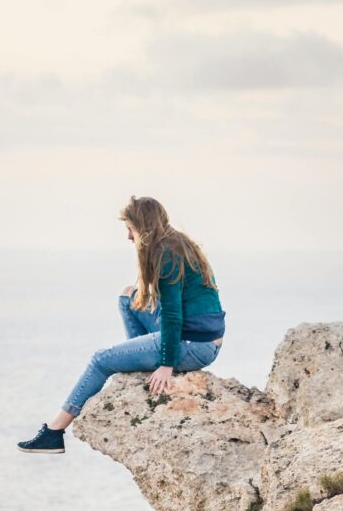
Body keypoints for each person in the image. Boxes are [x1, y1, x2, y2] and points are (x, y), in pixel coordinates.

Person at [18, 195, 225, 455]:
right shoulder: (179, 243)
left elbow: (173, 314)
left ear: (144, 227)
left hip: (193, 344)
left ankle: (54, 433)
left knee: (100, 360)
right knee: (128, 296)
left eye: (131, 229)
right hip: (201, 339)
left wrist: (166, 365)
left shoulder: (166, 253)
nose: (129, 236)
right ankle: (136, 363)